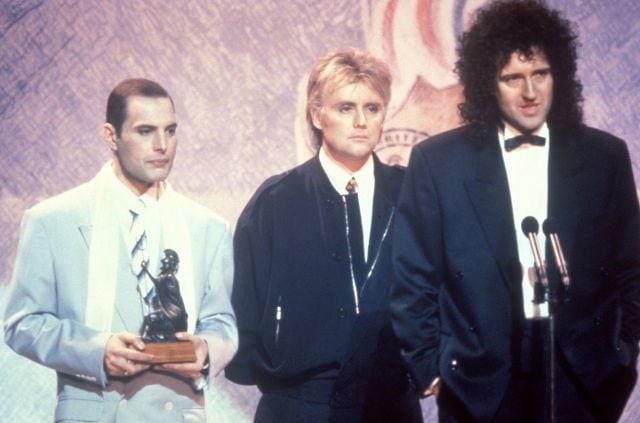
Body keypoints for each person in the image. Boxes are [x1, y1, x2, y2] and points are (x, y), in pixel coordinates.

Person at [390, 1, 640, 422]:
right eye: (513, 78)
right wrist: (431, 368)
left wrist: (622, 349)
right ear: (488, 83)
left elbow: (632, 268)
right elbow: (413, 277)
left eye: (540, 74)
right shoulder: (438, 163)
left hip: (583, 375)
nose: (530, 92)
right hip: (478, 380)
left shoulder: (604, 156)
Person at [4, 78, 237, 422]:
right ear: (110, 136)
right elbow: (22, 324)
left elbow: (221, 323)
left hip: (176, 411)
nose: (162, 145)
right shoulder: (51, 221)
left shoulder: (207, 228)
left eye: (170, 131)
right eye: (145, 131)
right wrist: (96, 351)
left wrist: (205, 351)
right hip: (95, 409)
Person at [226, 49, 422, 422]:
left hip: (390, 404)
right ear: (317, 114)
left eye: (372, 108)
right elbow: (243, 309)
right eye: (346, 108)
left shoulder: (412, 195)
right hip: (300, 405)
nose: (361, 122)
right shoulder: (277, 201)